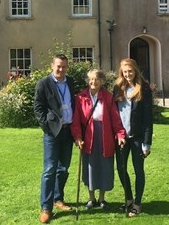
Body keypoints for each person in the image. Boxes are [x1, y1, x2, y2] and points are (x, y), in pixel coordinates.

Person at [71, 69, 126, 211]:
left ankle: (102, 199)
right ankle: (91, 198)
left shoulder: (108, 97)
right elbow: (76, 119)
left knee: (104, 166)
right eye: (90, 79)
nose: (93, 82)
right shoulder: (81, 97)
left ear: (102, 81)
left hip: (105, 135)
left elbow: (115, 118)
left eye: (96, 79)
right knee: (90, 166)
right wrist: (77, 137)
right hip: (88, 136)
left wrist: (120, 135)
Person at [34, 54, 76, 224]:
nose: (61, 69)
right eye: (58, 66)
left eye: (64, 66)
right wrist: (47, 127)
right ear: (52, 66)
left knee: (63, 168)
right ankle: (46, 207)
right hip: (52, 132)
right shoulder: (43, 83)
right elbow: (38, 107)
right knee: (50, 169)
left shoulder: (70, 82)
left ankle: (58, 199)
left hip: (68, 131)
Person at [113, 58, 154, 217]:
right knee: (121, 169)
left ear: (135, 71)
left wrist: (146, 143)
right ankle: (129, 198)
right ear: (121, 72)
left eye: (130, 71)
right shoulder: (117, 88)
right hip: (122, 137)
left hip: (137, 137)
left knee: (138, 170)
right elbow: (114, 113)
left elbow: (148, 118)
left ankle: (137, 203)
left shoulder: (143, 88)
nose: (128, 74)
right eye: (125, 71)